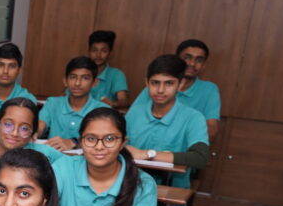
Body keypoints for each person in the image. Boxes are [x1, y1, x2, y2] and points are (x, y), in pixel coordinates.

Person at [124, 54, 209, 189]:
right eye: (155, 83)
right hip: (131, 185)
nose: (160, 90)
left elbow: (200, 158)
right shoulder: (135, 112)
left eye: (169, 83)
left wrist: (148, 154)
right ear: (147, 83)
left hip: (171, 190)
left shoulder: (193, 118)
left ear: (180, 84)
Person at [131, 39, 222, 139]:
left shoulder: (209, 89)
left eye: (199, 60)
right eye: (187, 58)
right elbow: (133, 118)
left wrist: (178, 133)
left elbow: (212, 129)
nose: (192, 63)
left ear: (204, 64)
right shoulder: (156, 86)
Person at [38, 56, 105, 151]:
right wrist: (32, 132)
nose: (77, 83)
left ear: (94, 82)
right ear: (65, 81)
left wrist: (73, 142)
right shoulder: (52, 103)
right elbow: (40, 126)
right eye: (73, 77)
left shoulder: (103, 110)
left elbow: (104, 139)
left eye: (85, 78)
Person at [86, 30, 128, 107]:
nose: (98, 55)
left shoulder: (116, 74)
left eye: (104, 51)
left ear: (110, 53)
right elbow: (66, 95)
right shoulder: (81, 71)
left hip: (103, 116)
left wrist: (113, 104)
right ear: (88, 52)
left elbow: (123, 100)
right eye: (94, 50)